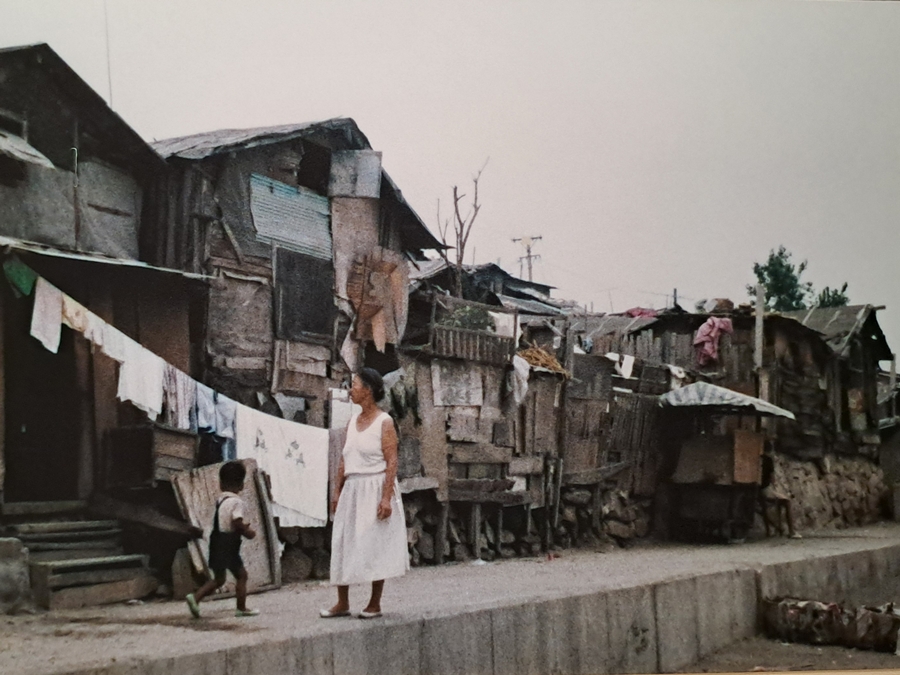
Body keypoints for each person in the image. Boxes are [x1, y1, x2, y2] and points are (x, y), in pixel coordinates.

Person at [320, 368, 409, 619]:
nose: (350, 389)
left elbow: (392, 461)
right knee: (342, 541)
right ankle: (342, 602)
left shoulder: (385, 422)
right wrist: (337, 491)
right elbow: (343, 461)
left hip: (375, 486)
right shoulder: (352, 422)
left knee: (374, 543)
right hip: (352, 488)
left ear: (368, 390)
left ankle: (374, 603)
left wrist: (386, 497)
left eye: (355, 385)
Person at [186, 461, 260, 618]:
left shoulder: (221, 500)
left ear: (220, 484)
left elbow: (225, 522)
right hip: (229, 546)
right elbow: (236, 522)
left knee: (219, 579)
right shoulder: (237, 502)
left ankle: (196, 597)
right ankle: (241, 608)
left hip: (217, 542)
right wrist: (248, 532)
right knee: (242, 576)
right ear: (241, 485)